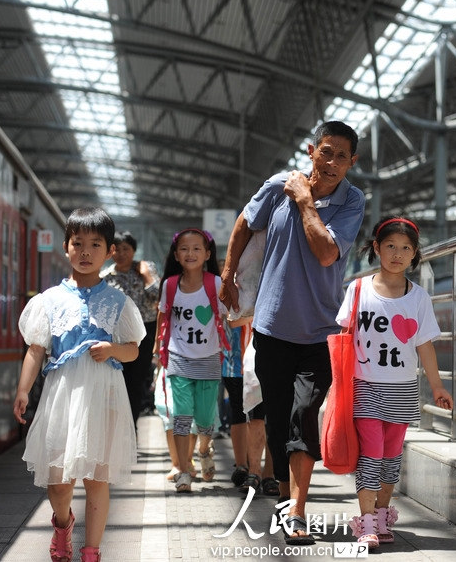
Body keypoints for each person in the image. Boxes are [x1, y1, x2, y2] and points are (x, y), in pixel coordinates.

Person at [219, 120, 366, 545]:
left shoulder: (351, 201)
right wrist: (228, 273)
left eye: (343, 156)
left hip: (320, 332)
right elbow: (245, 223)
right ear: (311, 150)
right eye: (326, 152)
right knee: (280, 420)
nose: (333, 162)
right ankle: (287, 501)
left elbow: (325, 253)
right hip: (269, 328)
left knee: (305, 416)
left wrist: (305, 202)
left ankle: (298, 510)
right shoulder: (278, 184)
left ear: (352, 162)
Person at [12, 206, 145, 562]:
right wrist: (23, 389)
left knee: (97, 480)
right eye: (78, 243)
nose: (85, 252)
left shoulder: (119, 302)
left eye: (95, 244)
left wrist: (113, 348)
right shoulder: (49, 300)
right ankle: (62, 521)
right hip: (62, 397)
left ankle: (91, 551)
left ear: (110, 252)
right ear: (65, 247)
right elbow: (35, 349)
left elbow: (133, 350)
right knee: (58, 480)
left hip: (105, 396)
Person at [337, 216, 453, 549]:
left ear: (415, 255)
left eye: (405, 248)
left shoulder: (418, 298)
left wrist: (438, 386)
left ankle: (383, 512)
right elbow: (344, 337)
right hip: (366, 386)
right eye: (390, 246)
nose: (397, 254)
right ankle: (367, 521)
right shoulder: (358, 289)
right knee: (371, 453)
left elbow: (425, 346)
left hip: (402, 389)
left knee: (390, 457)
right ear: (376, 248)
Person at [154, 228, 228, 493]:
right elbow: (163, 318)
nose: (190, 253)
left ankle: (204, 449)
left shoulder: (216, 284)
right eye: (184, 249)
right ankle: (184, 471)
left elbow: (228, 316)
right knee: (181, 417)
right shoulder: (170, 285)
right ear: (176, 254)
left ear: (208, 254)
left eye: (197, 248)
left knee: (206, 418)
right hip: (178, 359)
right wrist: (157, 349)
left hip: (209, 359)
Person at [102, 231, 161, 426]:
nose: (121, 253)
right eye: (116, 249)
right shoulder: (105, 277)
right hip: (116, 336)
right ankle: (117, 426)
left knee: (136, 382)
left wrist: (145, 276)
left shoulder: (146, 269)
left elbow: (159, 297)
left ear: (134, 251)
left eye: (126, 249)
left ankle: (131, 425)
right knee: (116, 380)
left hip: (144, 332)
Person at [222, 317, 278, 496]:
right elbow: (231, 319)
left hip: (279, 351)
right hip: (244, 358)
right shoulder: (238, 287)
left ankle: (269, 475)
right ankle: (253, 472)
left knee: (275, 417)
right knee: (253, 415)